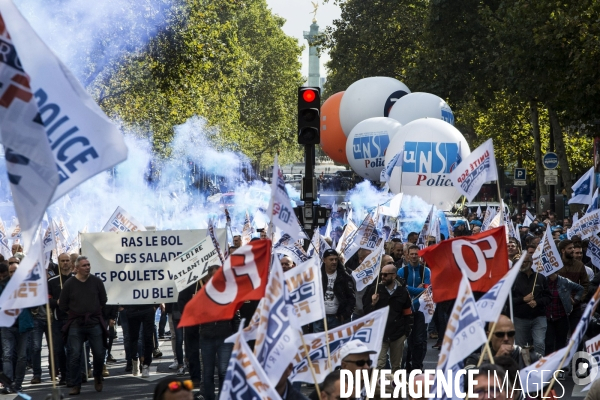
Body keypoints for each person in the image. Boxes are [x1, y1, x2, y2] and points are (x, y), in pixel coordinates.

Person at [59, 256, 108, 395]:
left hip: (94, 322)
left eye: (88, 264)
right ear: (77, 268)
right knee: (74, 354)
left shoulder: (97, 281)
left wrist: (93, 312)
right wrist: (75, 313)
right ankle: (75, 384)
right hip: (76, 324)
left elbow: (103, 300)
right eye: (84, 265)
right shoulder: (69, 284)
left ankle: (98, 376)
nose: (87, 267)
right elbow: (63, 304)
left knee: (99, 352)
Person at [199, 266, 239, 400]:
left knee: (223, 371)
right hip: (207, 337)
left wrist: (236, 334)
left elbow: (235, 316)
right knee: (208, 372)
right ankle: (209, 397)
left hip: (225, 338)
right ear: (209, 278)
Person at [363, 264, 413, 373]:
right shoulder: (375, 290)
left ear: (394, 276)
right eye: (381, 274)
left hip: (398, 334)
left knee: (397, 366)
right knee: (379, 364)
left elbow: (408, 313)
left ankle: (396, 388)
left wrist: (406, 332)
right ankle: (377, 388)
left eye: (385, 275)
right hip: (380, 333)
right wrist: (372, 303)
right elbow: (366, 312)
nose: (383, 277)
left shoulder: (402, 292)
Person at [0, 258, 33, 394]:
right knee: (7, 355)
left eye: (16, 271)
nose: (13, 274)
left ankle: (18, 384)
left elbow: (34, 304)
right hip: (7, 325)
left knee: (22, 357)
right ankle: (8, 384)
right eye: (11, 271)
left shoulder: (28, 286)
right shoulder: (2, 285)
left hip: (23, 326)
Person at [397, 245, 430, 372]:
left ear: (420, 255)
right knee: (407, 340)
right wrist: (418, 289)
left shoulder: (426, 271)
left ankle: (417, 366)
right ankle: (406, 364)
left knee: (419, 340)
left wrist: (410, 289)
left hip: (420, 311)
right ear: (407, 255)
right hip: (405, 311)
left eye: (416, 254)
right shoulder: (402, 271)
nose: (414, 256)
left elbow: (427, 290)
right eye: (412, 254)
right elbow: (401, 289)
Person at [465, 315, 541, 369]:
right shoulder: (477, 359)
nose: (506, 338)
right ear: (489, 336)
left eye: (510, 334)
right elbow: (467, 381)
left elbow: (549, 376)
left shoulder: (528, 356)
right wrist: (496, 360)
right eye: (500, 334)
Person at [511, 252, 550, 355]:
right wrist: (523, 299)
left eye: (524, 262)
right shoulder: (513, 278)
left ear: (531, 263)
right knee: (521, 346)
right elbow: (508, 300)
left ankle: (539, 367)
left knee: (539, 343)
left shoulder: (540, 278)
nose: (521, 264)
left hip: (538, 317)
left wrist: (537, 302)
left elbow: (548, 297)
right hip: (520, 319)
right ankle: (522, 368)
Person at [48, 253, 74, 385]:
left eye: (67, 260)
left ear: (71, 262)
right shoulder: (52, 281)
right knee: (59, 350)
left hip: (74, 320)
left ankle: (73, 375)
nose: (65, 263)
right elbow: (46, 300)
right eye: (62, 261)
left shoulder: (77, 279)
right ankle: (64, 375)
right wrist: (57, 302)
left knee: (72, 349)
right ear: (58, 262)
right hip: (58, 320)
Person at [313, 249, 355, 332]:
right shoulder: (316, 276)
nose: (334, 262)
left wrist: (345, 314)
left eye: (336, 259)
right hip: (319, 319)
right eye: (331, 259)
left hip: (337, 319)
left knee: (336, 344)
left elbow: (351, 298)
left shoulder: (345, 277)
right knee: (319, 344)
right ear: (324, 260)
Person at [545, 272, 583, 355]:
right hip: (548, 317)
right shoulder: (544, 281)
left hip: (561, 316)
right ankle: (548, 364)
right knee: (548, 343)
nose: (550, 276)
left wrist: (575, 300)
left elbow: (580, 288)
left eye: (552, 274)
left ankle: (560, 364)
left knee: (561, 343)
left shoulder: (564, 281)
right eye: (549, 274)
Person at [125, 303, 156, 378]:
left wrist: (156, 305)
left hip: (148, 308)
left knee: (148, 337)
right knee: (133, 337)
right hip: (133, 309)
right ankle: (135, 360)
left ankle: (146, 365)